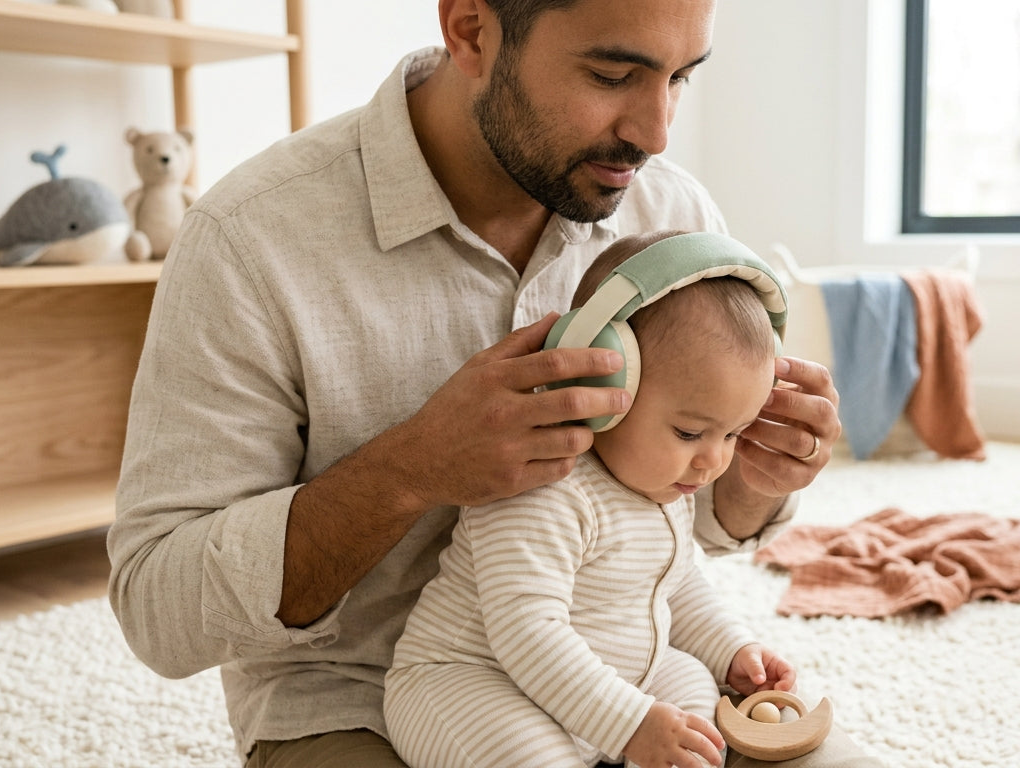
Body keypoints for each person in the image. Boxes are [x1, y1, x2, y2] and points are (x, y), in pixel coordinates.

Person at [107, 0, 875, 766]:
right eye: (613, 74)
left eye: (680, 77)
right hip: (360, 700)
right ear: (471, 30)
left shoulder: (670, 212)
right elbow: (157, 612)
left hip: (631, 678)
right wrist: (408, 470)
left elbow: (664, 526)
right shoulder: (251, 237)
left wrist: (754, 475)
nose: (656, 132)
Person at [385, 230, 796, 768]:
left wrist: (733, 650)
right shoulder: (540, 484)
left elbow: (678, 583)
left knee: (696, 691)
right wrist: (630, 723)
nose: (713, 461)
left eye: (733, 434)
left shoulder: (665, 484)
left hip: (610, 678)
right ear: (603, 374)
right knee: (527, 754)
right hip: (469, 682)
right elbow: (527, 632)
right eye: (691, 433)